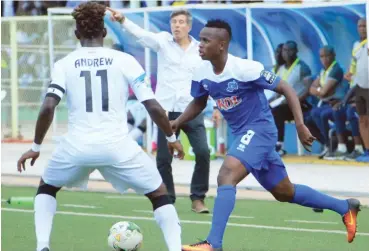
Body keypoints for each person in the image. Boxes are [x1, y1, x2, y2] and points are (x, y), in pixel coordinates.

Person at [169, 19, 361, 251]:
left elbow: (286, 88)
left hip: (260, 129)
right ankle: (345, 207)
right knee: (284, 191)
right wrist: (178, 121)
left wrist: (300, 125)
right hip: (243, 135)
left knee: (226, 175)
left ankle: (213, 244)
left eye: (205, 41)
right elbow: (199, 102)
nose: (199, 45)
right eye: (200, 39)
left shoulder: (244, 68)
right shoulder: (201, 71)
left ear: (222, 45)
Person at [17, 3, 184, 251]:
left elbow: (47, 108)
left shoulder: (65, 64)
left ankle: (42, 246)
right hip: (118, 146)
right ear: (105, 32)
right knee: (159, 194)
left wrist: (35, 146)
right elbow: (154, 107)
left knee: (47, 187)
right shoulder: (124, 60)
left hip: (75, 147)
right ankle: (174, 248)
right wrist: (171, 139)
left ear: (76, 34)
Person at [108, 7, 211, 212]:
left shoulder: (200, 50)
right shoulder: (163, 41)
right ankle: (168, 198)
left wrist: (215, 106)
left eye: (181, 22)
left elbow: (209, 79)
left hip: (190, 110)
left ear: (189, 26)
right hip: (165, 111)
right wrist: (123, 20)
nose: (177, 26)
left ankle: (198, 198)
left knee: (203, 152)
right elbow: (141, 35)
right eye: (174, 22)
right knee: (163, 159)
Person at [270, 41, 313, 156]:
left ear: (296, 51)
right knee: (265, 110)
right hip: (283, 104)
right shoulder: (281, 68)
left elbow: (308, 89)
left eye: (290, 50)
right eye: (284, 50)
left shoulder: (302, 67)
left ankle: (279, 145)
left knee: (277, 111)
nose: (286, 53)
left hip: (299, 105)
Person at [308, 45, 349, 159]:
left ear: (333, 55)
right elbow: (311, 89)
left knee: (320, 114)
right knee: (309, 118)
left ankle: (332, 145)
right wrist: (320, 90)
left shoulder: (337, 69)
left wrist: (319, 90)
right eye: (322, 56)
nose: (324, 59)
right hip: (327, 103)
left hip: (339, 103)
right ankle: (326, 144)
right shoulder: (324, 71)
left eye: (327, 56)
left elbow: (324, 92)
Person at [344, 18, 369, 162]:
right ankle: (367, 151)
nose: (362, 28)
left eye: (365, 26)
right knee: (362, 120)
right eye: (360, 26)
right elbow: (354, 63)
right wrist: (350, 73)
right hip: (359, 87)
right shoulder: (356, 45)